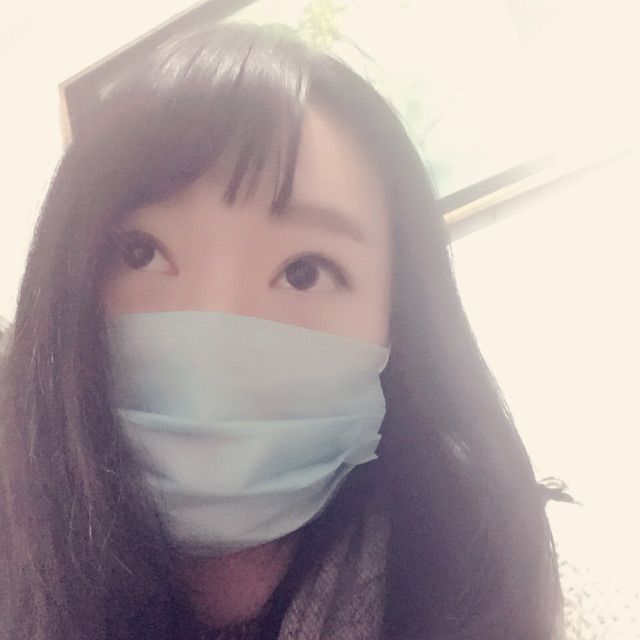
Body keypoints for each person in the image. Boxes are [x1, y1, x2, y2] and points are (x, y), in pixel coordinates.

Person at [0, 22, 562, 640]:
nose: (217, 333)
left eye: (304, 271)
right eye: (140, 252)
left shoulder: (485, 563)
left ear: (397, 321)